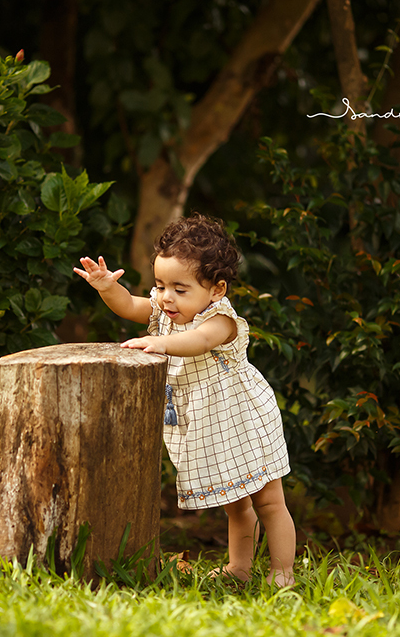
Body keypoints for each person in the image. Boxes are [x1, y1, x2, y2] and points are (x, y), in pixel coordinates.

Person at [73, 214, 296, 586]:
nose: (165, 297)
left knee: (269, 501)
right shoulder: (165, 311)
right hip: (208, 422)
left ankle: (282, 571)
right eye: (160, 285)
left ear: (216, 289)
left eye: (180, 288)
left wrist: (161, 343)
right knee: (236, 504)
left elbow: (200, 342)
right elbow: (129, 306)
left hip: (243, 419)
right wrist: (105, 287)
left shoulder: (221, 320)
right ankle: (239, 568)